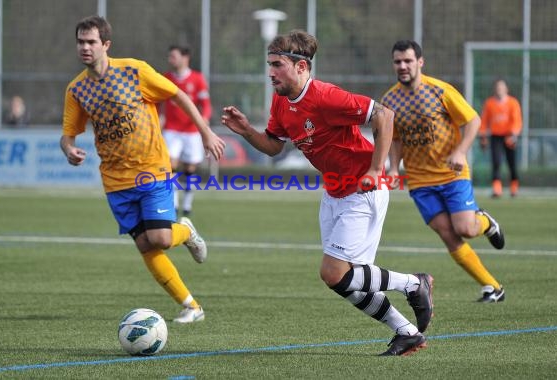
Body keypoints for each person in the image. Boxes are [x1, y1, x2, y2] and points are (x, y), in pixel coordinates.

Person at [221, 30, 433, 356]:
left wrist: (377, 169)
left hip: (363, 191)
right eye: (270, 64)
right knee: (347, 282)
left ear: (302, 67)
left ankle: (415, 284)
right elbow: (274, 147)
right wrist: (247, 130)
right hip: (333, 193)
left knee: (334, 273)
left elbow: (384, 115)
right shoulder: (280, 101)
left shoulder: (324, 96)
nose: (271, 72)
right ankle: (406, 332)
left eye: (277, 65)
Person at [60, 15, 225, 323]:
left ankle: (185, 231)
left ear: (106, 45)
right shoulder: (77, 90)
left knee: (161, 238)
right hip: (114, 180)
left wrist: (205, 132)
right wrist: (69, 149)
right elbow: (68, 134)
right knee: (144, 244)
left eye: (91, 42)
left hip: (152, 169)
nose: (85, 47)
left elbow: (177, 94)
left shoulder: (134, 71)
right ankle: (191, 306)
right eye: (81, 42)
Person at [382, 40, 506, 303]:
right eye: (397, 62)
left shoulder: (439, 90)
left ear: (420, 62)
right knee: (448, 234)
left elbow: (473, 120)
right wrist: (394, 168)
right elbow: (395, 138)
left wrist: (460, 151)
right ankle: (492, 286)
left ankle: (485, 222)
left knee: (466, 228)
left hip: (451, 175)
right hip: (419, 181)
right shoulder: (390, 100)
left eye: (408, 61)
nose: (402, 66)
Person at [160, 45, 212, 218]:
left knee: (190, 168)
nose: (170, 60)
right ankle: (173, 203)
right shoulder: (166, 78)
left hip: (191, 131)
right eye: (169, 56)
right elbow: (156, 101)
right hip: (171, 130)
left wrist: (203, 120)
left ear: (185, 58)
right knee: (170, 165)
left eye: (173, 56)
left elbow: (205, 104)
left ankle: (187, 204)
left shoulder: (197, 79)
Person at [479, 79, 522, 197]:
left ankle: (514, 189)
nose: (499, 90)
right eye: (498, 88)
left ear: (506, 89)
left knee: (511, 163)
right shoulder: (489, 103)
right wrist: (482, 135)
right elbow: (484, 120)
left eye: (502, 87)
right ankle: (497, 190)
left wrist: (514, 134)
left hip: (509, 136)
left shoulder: (513, 102)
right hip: (496, 136)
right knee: (496, 162)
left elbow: (517, 120)